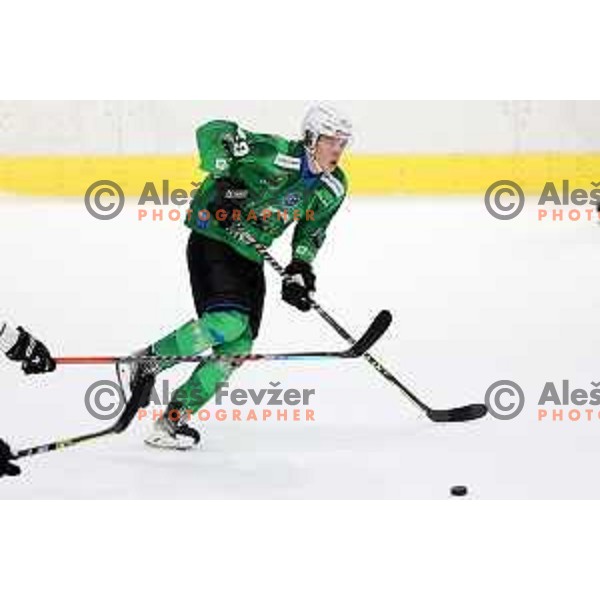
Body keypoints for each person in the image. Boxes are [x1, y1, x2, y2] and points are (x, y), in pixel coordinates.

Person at [131, 104, 353, 450]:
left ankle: (171, 421)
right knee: (227, 322)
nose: (338, 149)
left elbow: (312, 230)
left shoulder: (334, 186)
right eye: (330, 141)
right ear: (310, 138)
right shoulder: (272, 153)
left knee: (238, 346)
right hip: (213, 237)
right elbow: (213, 130)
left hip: (250, 253)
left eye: (343, 142)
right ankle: (149, 359)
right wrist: (224, 182)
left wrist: (300, 266)